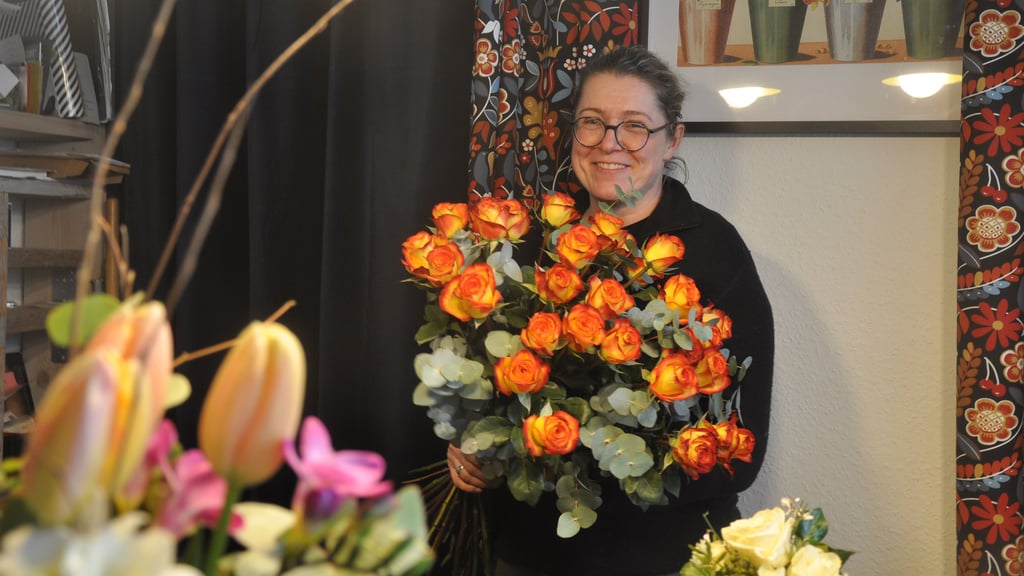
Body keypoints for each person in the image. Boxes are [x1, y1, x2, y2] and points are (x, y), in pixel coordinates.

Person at [447, 45, 775, 576]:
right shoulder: (534, 241)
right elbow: (484, 387)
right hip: (529, 554)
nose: (609, 143)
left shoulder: (713, 251)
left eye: (635, 126)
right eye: (593, 122)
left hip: (660, 558)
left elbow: (742, 449)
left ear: (673, 140)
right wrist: (474, 445)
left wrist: (588, 471)